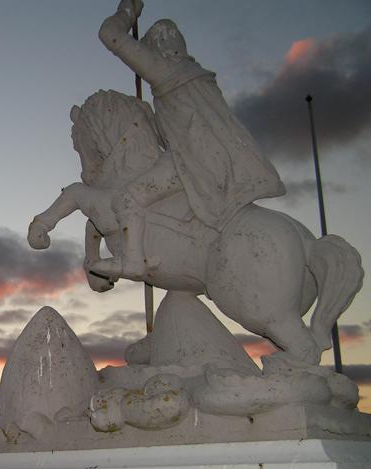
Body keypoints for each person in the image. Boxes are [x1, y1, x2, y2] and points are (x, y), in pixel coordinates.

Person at [92, 0, 285, 280]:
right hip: (213, 157)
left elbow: (109, 34)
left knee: (125, 199)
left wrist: (127, 10)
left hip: (190, 158)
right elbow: (170, 130)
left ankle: (133, 261)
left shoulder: (166, 72)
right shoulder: (199, 78)